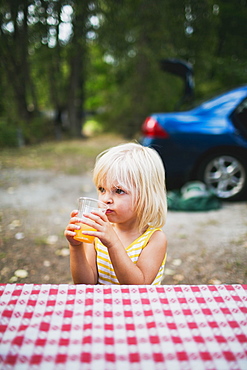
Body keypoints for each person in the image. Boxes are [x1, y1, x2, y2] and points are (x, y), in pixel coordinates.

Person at [64, 142, 167, 285]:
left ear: (146, 196)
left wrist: (113, 243)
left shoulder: (154, 239)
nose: (106, 199)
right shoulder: (96, 232)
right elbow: (86, 284)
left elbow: (138, 287)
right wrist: (76, 247)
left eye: (119, 191)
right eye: (102, 189)